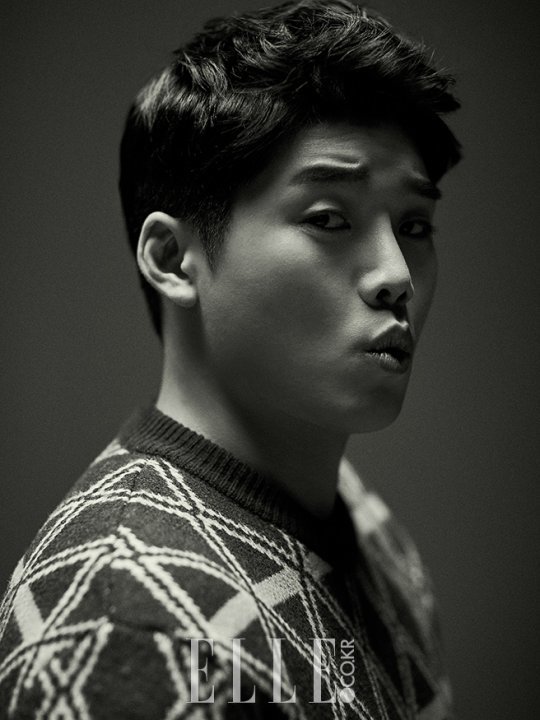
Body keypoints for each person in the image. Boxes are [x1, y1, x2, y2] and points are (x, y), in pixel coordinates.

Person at [0, 1, 461, 717]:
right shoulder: (125, 622)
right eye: (329, 219)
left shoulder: (362, 518)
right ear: (171, 258)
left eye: (415, 225)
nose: (396, 274)